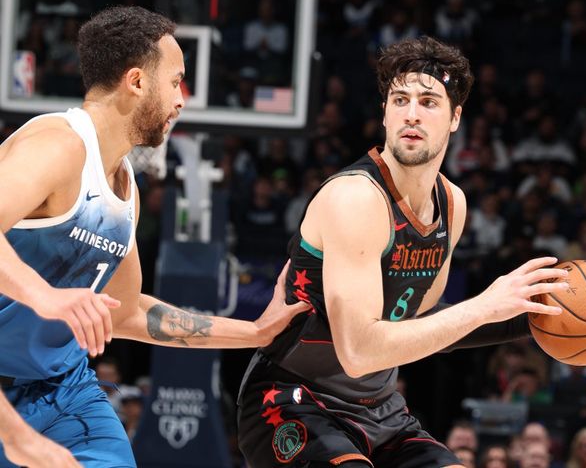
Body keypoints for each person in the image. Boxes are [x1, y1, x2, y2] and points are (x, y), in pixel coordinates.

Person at [238, 36, 569, 467]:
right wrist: (485, 306)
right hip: (290, 398)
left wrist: (528, 318)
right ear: (385, 112)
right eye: (400, 99)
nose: (411, 113)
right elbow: (358, 352)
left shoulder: (452, 204)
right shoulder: (355, 199)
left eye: (429, 102)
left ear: (455, 117)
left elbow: (420, 328)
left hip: (380, 409)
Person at [0, 5, 308, 467]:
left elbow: (127, 312)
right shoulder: (59, 145)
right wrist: (45, 296)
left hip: (63, 390)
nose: (182, 99)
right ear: (137, 81)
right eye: (175, 81)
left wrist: (254, 332)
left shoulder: (125, 186)